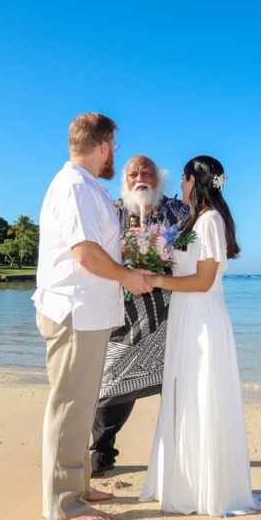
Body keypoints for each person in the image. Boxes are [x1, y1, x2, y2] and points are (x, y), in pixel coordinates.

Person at [32, 112, 153, 520]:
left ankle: (79, 485)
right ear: (103, 146)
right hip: (74, 312)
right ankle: (62, 503)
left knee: (82, 405)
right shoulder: (74, 187)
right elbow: (84, 252)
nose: (113, 156)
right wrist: (127, 277)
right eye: (113, 148)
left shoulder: (86, 187)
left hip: (88, 313)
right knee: (69, 406)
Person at [139, 155, 261, 516]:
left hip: (202, 317)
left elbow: (203, 280)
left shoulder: (210, 220)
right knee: (185, 395)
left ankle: (205, 489)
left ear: (194, 180)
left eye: (183, 178)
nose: (180, 185)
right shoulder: (194, 220)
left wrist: (157, 279)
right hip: (185, 314)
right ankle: (186, 482)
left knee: (201, 394)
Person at [90, 155, 190, 477]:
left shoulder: (179, 212)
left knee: (178, 385)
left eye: (147, 173)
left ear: (159, 179)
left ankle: (180, 455)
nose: (140, 178)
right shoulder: (111, 211)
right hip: (123, 314)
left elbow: (196, 253)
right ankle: (102, 451)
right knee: (110, 383)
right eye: (133, 174)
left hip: (172, 314)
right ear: (124, 180)